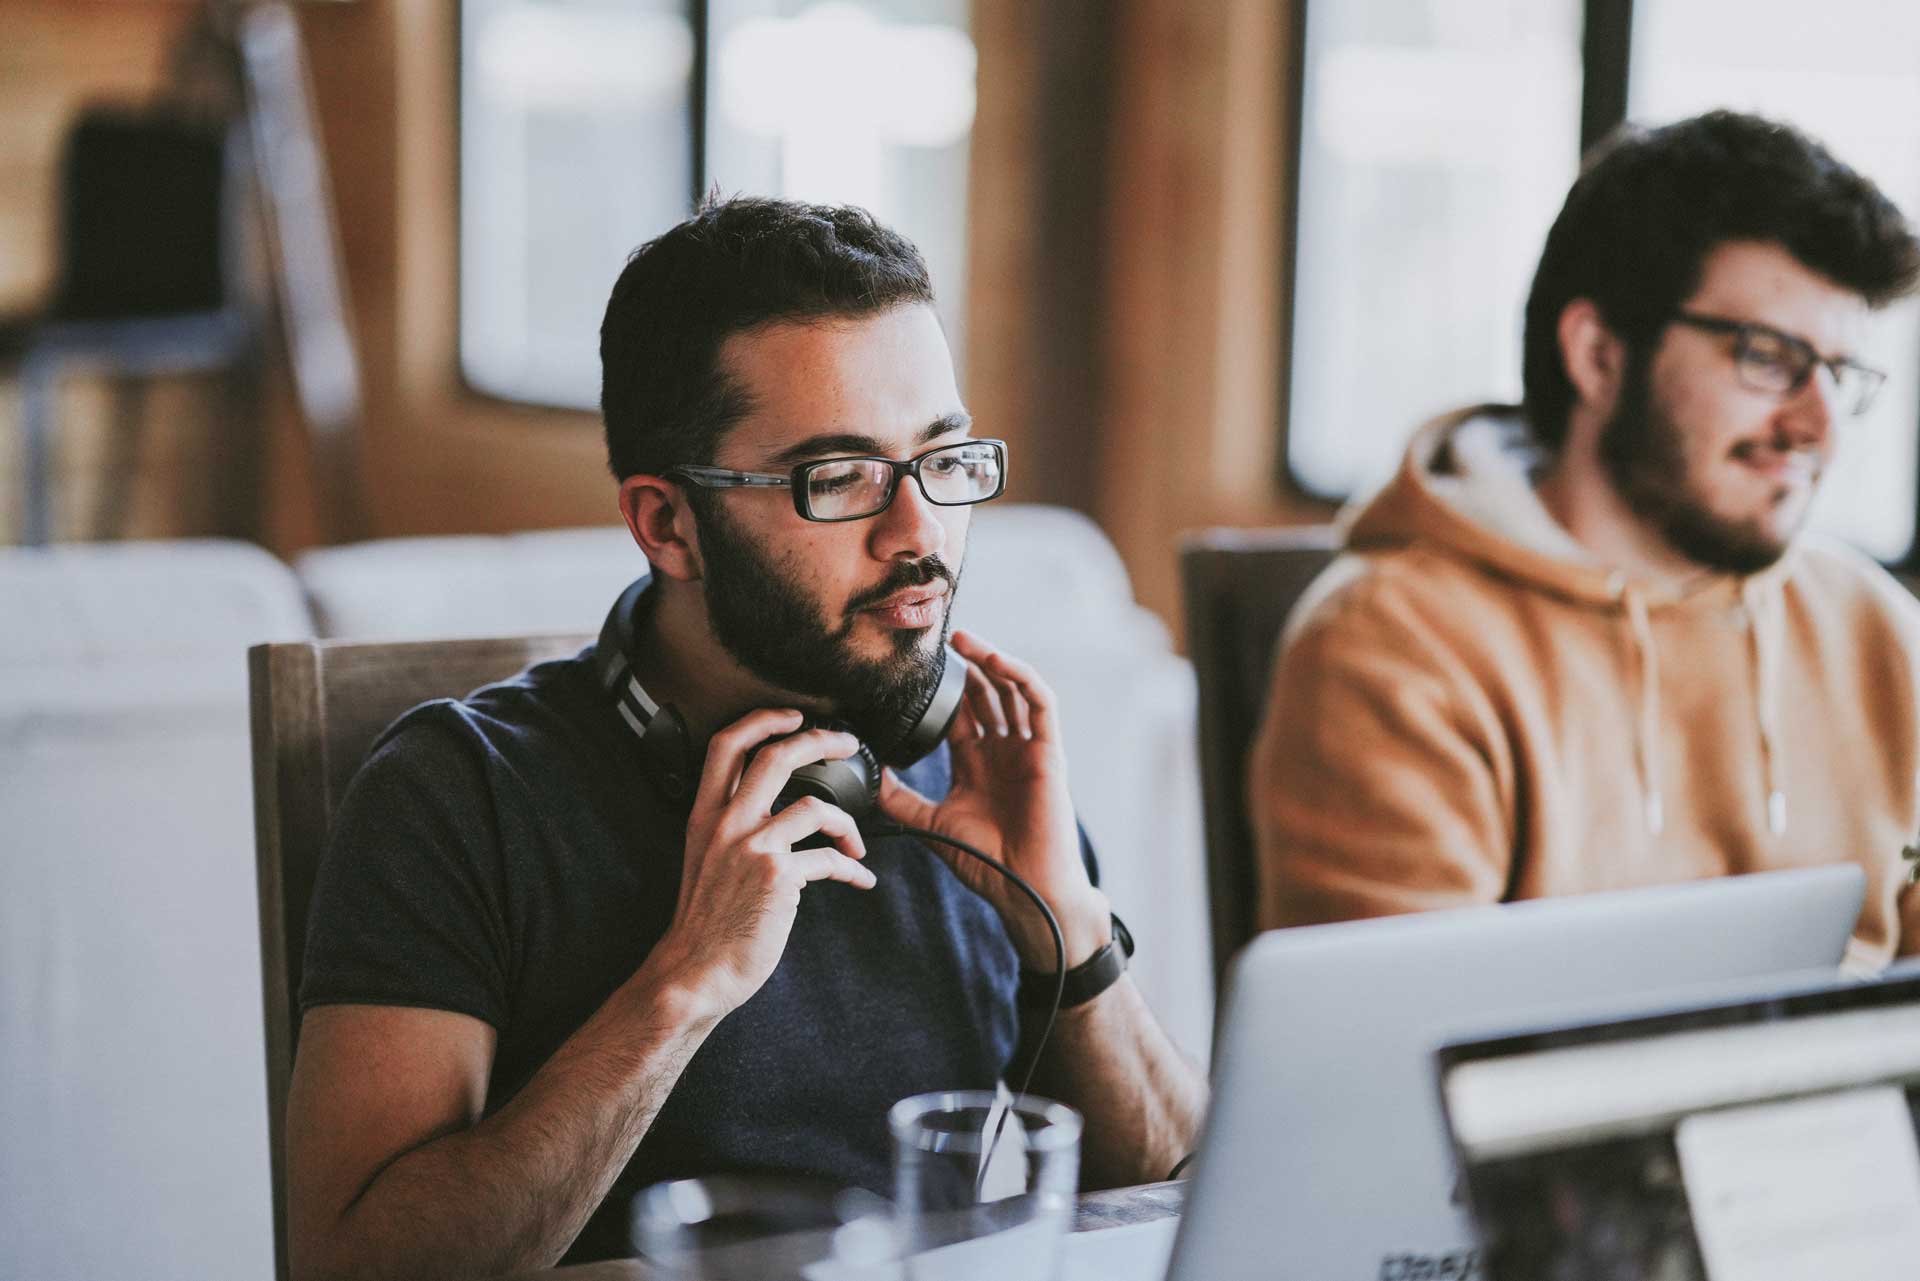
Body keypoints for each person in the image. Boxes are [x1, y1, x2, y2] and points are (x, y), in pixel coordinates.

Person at [286, 198, 1206, 1279]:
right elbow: (349, 1268)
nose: (921, 537)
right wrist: (684, 984)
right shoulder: (459, 792)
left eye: (944, 460)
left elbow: (1181, 1198)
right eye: (841, 477)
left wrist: (1067, 929)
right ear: (667, 524)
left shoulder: (970, 762)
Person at [1251, 111, 1920, 965]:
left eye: (1838, 373)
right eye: (1766, 356)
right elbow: (1400, 1072)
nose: (1817, 425)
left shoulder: (1877, 631)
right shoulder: (1395, 648)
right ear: (1598, 354)